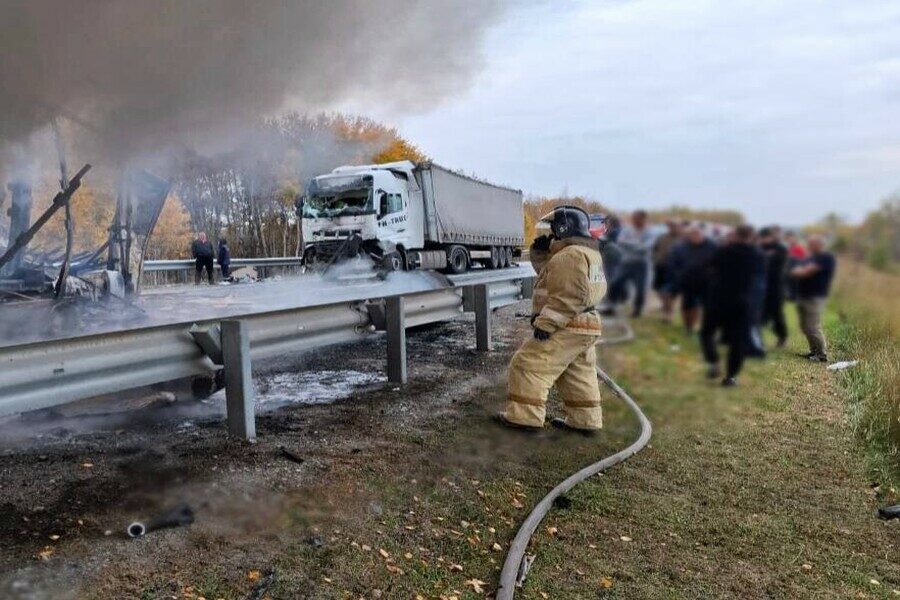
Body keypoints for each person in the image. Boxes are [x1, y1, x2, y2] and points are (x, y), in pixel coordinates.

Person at [498, 205, 607, 433]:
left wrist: (547, 323)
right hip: (585, 323)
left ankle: (524, 417)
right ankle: (585, 420)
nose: (550, 234)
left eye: (553, 230)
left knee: (528, 364)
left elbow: (570, 294)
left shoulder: (570, 255)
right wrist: (541, 255)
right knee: (577, 372)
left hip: (567, 323)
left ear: (563, 228)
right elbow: (555, 279)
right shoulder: (588, 253)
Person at [700, 225, 765, 386]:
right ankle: (730, 377)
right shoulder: (757, 255)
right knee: (738, 341)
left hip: (718, 299)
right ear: (751, 236)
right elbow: (760, 276)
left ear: (735, 235)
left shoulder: (723, 251)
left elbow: (707, 268)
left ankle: (713, 361)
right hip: (742, 302)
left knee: (707, 332)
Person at [790, 235, 836, 362]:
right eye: (808, 243)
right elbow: (797, 270)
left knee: (813, 326)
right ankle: (813, 351)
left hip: (815, 297)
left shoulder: (826, 257)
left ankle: (821, 355)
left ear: (819, 244)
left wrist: (800, 271)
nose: (808, 246)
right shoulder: (810, 257)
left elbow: (805, 272)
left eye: (811, 243)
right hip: (804, 295)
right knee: (804, 326)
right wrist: (799, 271)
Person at [667, 225, 717, 333]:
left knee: (705, 306)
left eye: (698, 234)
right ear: (689, 236)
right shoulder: (680, 247)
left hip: (706, 282)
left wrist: (713, 274)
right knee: (687, 306)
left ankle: (704, 327)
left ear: (703, 234)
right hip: (687, 281)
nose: (696, 236)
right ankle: (688, 326)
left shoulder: (713, 246)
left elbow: (719, 263)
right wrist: (678, 275)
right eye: (693, 234)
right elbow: (672, 263)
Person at [608, 210, 654, 317]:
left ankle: (637, 310)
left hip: (641, 264)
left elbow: (645, 248)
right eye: (634, 218)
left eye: (637, 218)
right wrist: (637, 245)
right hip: (626, 263)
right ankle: (611, 306)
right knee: (616, 283)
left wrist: (630, 245)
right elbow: (620, 241)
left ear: (643, 219)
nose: (635, 221)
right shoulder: (628, 230)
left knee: (640, 288)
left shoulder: (649, 232)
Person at [759, 227, 788, 347]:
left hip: (776, 286)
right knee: (760, 313)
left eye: (766, 237)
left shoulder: (780, 248)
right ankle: (756, 339)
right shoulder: (759, 248)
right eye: (762, 238)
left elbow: (777, 262)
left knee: (777, 313)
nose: (764, 240)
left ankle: (782, 337)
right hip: (761, 285)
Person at [651, 220, 681, 321]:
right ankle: (665, 305)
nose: (674, 228)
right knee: (658, 288)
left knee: (669, 292)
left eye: (676, 226)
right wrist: (655, 258)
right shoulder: (662, 237)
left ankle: (668, 313)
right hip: (660, 266)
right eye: (672, 226)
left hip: (674, 269)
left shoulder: (683, 239)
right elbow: (654, 249)